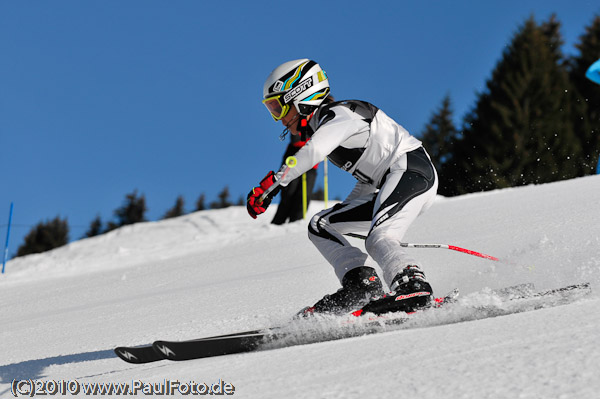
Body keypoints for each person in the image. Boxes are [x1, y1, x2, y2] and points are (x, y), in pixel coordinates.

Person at [247, 59, 438, 316]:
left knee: (379, 237)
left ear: (300, 94)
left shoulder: (339, 114)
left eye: (278, 108)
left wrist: (272, 184)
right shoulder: (327, 124)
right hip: (391, 180)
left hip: (411, 172)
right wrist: (349, 207)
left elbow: (312, 151)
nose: (279, 119)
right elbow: (367, 180)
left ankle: (413, 284)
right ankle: (361, 284)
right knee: (321, 225)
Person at [271, 133, 317, 225]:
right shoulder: (302, 119)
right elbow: (295, 138)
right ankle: (278, 223)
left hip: (311, 163)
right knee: (289, 192)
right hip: (294, 157)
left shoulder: (320, 121)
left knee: (304, 194)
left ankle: (296, 223)